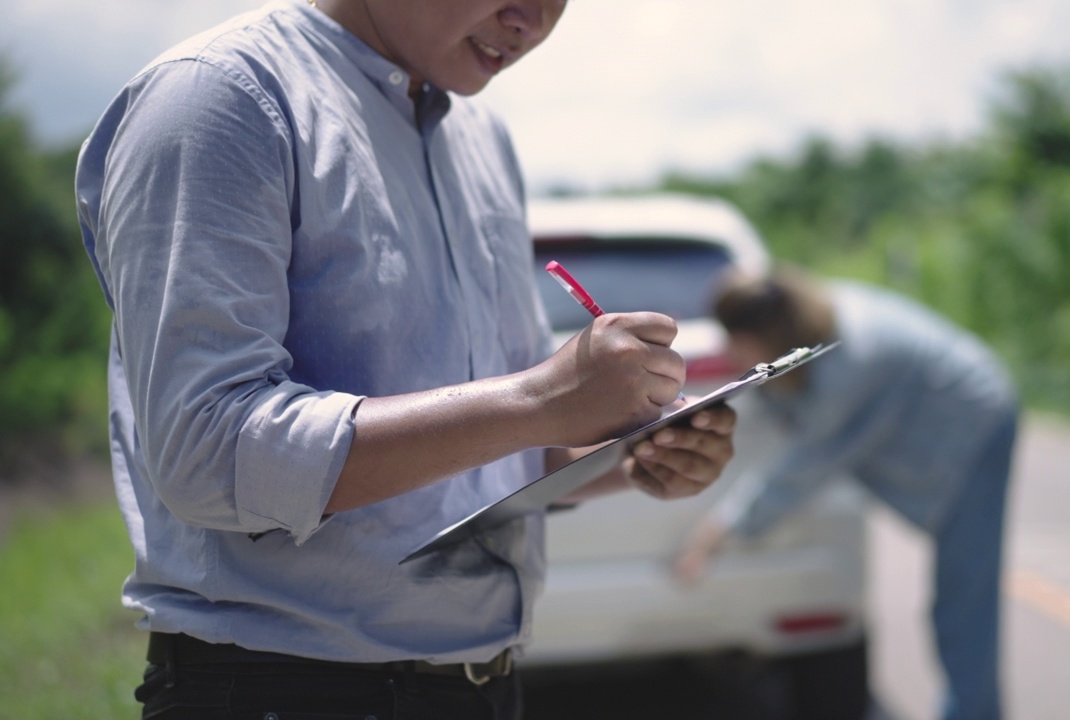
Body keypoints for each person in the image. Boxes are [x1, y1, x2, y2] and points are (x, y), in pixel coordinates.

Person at [74, 1, 736, 718]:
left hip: (483, 685)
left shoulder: (481, 137)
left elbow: (481, 448)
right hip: (286, 691)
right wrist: (540, 400)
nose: (532, 19)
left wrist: (624, 458)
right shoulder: (221, 98)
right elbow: (206, 452)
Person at [675, 266, 1019, 720]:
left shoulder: (850, 361)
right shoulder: (810, 331)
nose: (725, 351)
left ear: (763, 334)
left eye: (732, 338)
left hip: (976, 424)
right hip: (944, 421)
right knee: (958, 601)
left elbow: (807, 466)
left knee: (963, 603)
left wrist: (721, 528)